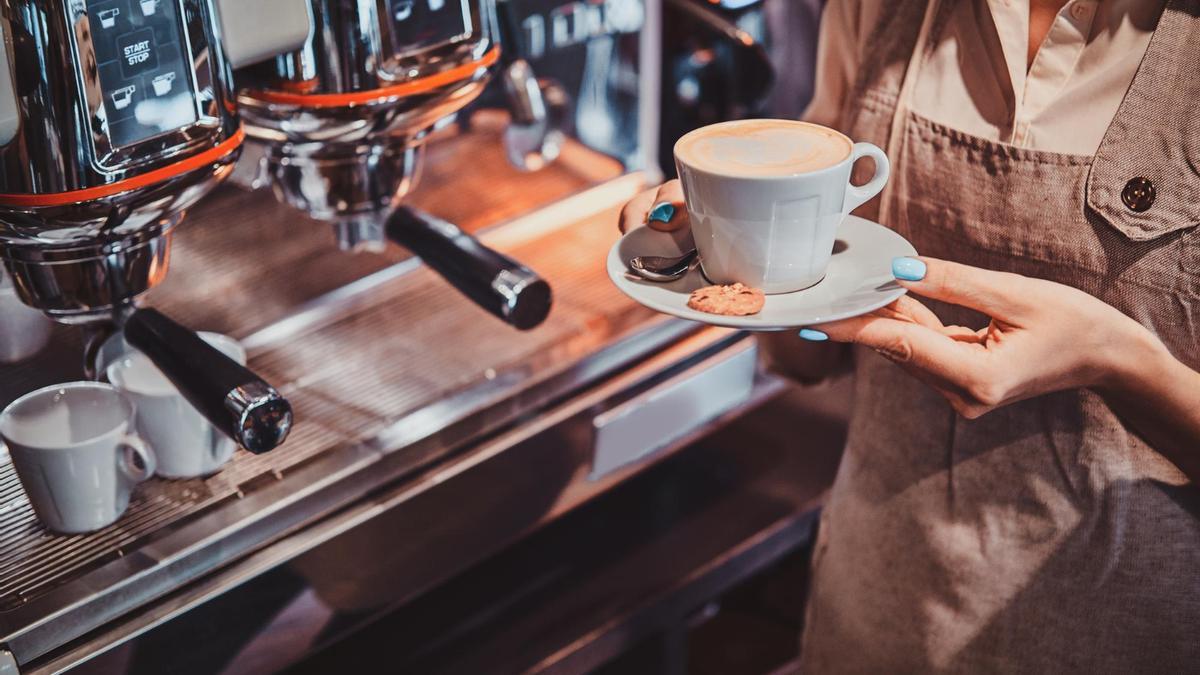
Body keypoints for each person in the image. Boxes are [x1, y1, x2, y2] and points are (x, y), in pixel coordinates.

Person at [620, 0, 1200, 670]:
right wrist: (742, 238)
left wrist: (1117, 359)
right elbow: (809, 358)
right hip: (876, 616)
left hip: (1130, 638)